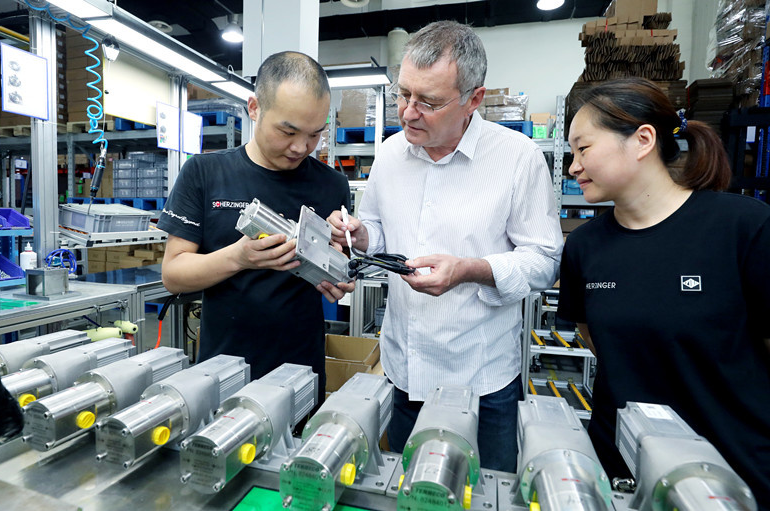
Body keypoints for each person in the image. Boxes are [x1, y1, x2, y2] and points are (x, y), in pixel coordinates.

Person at [328, 21, 563, 472]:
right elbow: (378, 230)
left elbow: (543, 261)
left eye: (429, 102)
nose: (409, 112)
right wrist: (360, 235)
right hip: (404, 371)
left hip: (482, 382)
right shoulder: (392, 154)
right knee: (409, 492)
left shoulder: (517, 159)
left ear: (474, 99)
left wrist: (468, 270)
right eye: (403, 94)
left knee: (482, 492)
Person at [558, 77, 770, 506]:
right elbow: (596, 339)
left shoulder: (742, 227)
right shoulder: (585, 246)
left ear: (642, 140)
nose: (572, 167)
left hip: (732, 478)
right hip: (623, 476)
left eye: (583, 149)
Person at [158, 51, 353, 402]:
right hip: (223, 370)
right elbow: (173, 274)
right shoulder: (204, 173)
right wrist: (239, 257)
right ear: (254, 108)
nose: (300, 148)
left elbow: (340, 269)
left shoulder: (332, 186)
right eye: (288, 131)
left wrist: (339, 271)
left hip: (300, 372)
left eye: (314, 135)